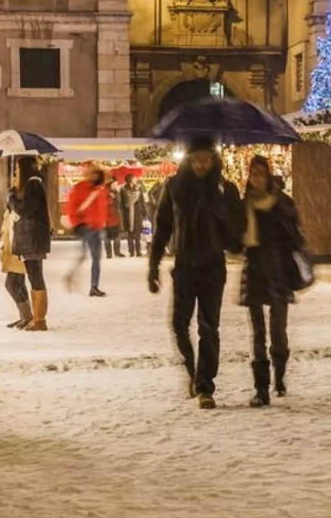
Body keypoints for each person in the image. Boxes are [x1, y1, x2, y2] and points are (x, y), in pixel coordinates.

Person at [148, 137, 244, 410]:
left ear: (213, 160)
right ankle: (193, 370)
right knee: (179, 324)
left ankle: (205, 386)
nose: (202, 164)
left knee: (208, 327)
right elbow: (162, 226)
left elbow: (236, 236)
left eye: (206, 159)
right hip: (185, 264)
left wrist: (227, 211)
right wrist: (153, 265)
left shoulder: (225, 189)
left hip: (213, 265)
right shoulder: (175, 187)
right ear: (188, 160)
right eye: (196, 159)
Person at [241, 155, 304, 408]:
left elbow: (295, 235)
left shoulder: (282, 202)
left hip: (278, 271)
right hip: (255, 269)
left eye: (260, 173)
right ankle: (261, 388)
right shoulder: (244, 203)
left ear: (267, 175)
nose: (256, 179)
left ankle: (279, 376)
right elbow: (236, 237)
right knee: (257, 332)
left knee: (278, 330)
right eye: (253, 174)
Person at [8, 156, 52, 331]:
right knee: (35, 277)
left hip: (33, 238)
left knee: (36, 278)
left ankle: (40, 320)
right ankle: (37, 318)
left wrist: (12, 198)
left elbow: (25, 210)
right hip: (30, 238)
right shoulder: (30, 186)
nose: (16, 173)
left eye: (18, 169)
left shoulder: (33, 185)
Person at [66, 163, 109, 297]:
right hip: (85, 226)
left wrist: (103, 223)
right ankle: (71, 277)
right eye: (92, 173)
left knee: (96, 257)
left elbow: (102, 208)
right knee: (85, 255)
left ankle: (94, 286)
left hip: (96, 227)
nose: (94, 175)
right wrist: (76, 223)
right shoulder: (80, 188)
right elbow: (72, 207)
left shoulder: (99, 189)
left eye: (96, 173)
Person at [0, 193, 31, 329]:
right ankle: (25, 316)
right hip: (11, 254)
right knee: (18, 284)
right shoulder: (9, 214)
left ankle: (27, 316)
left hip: (17, 254)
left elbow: (15, 234)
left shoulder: (15, 214)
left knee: (11, 284)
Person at [121, 175, 149, 257]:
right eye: (134, 178)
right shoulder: (123, 190)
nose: (136, 179)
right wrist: (125, 209)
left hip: (137, 212)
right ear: (130, 180)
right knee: (130, 233)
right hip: (128, 213)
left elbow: (142, 201)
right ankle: (131, 251)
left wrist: (145, 212)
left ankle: (138, 251)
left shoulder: (138, 188)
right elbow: (122, 203)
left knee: (137, 233)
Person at [103, 177, 125, 259]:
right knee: (107, 237)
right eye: (115, 183)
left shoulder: (116, 191)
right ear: (111, 183)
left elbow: (119, 203)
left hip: (116, 217)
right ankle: (109, 253)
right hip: (107, 218)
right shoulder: (104, 192)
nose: (117, 185)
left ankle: (117, 251)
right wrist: (111, 198)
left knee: (118, 235)